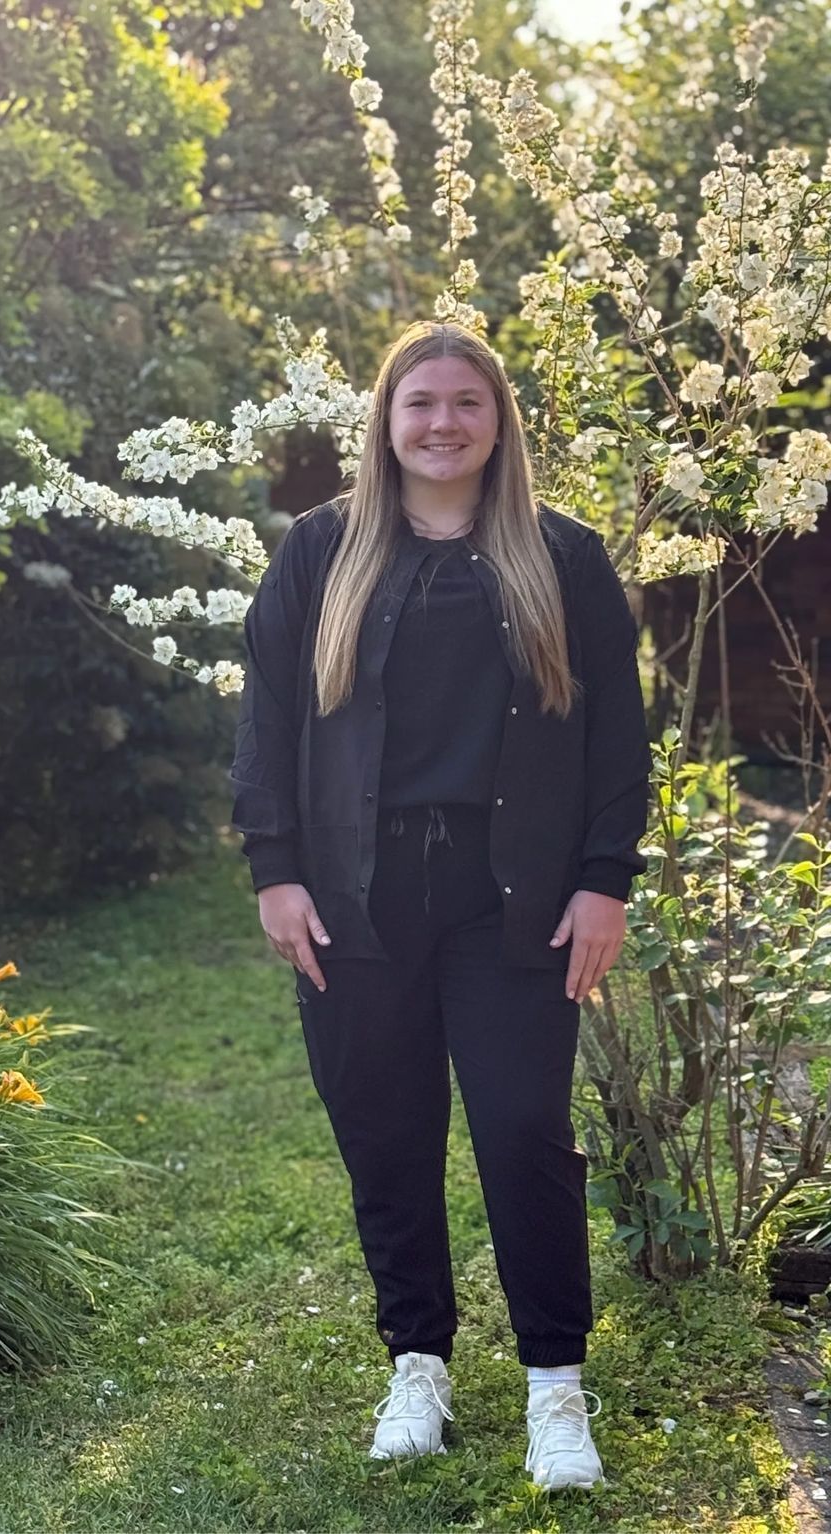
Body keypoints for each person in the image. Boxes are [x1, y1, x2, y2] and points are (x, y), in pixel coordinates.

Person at [228, 318, 652, 1491]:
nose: (443, 423)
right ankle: (417, 1359)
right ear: (387, 418)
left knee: (523, 1132)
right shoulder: (320, 552)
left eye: (467, 402)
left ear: (498, 421)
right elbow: (265, 722)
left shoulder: (560, 557)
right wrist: (275, 869)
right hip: (355, 901)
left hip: (509, 896)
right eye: (421, 403)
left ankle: (554, 1390)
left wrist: (604, 877)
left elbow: (618, 732)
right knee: (385, 1132)